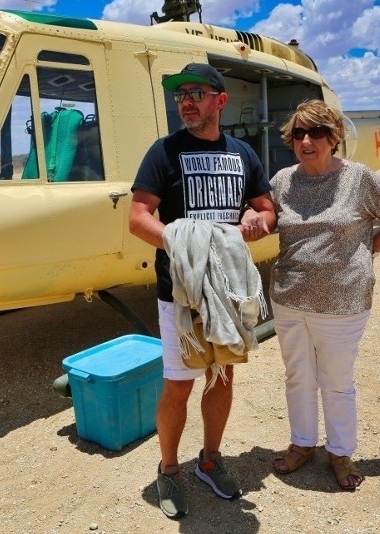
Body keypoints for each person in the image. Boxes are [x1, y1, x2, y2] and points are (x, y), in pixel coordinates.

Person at [129, 63, 275, 519]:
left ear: (220, 100)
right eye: (179, 95)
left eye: (195, 92)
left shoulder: (243, 155)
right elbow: (138, 218)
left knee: (224, 375)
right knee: (178, 385)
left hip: (228, 290)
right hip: (182, 293)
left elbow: (267, 210)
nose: (185, 101)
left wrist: (258, 221)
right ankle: (169, 470)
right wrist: (184, 242)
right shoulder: (163, 152)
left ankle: (209, 461)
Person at [264, 99, 380, 490]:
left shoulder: (358, 178)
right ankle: (302, 445)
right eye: (299, 133)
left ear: (333, 138)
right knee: (298, 376)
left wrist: (372, 249)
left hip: (342, 301)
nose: (306, 141)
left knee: (336, 380)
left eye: (316, 132)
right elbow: (265, 218)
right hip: (289, 298)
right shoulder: (282, 181)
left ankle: (340, 452)